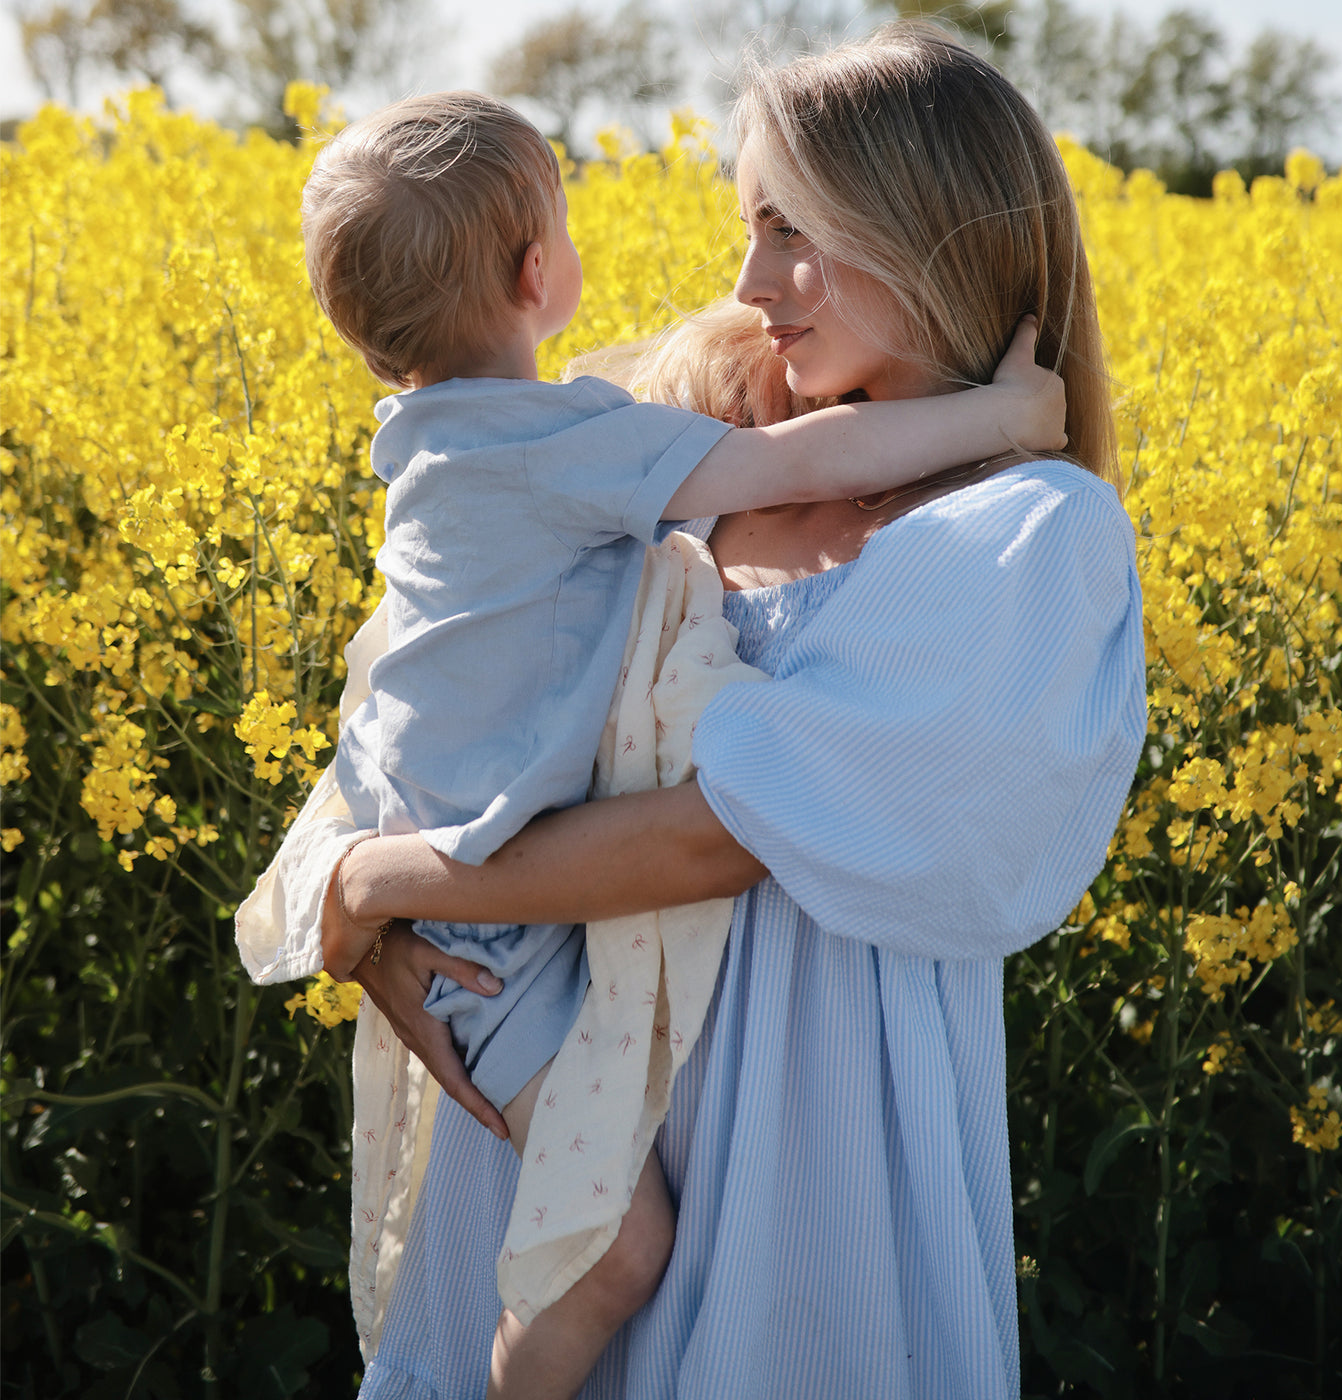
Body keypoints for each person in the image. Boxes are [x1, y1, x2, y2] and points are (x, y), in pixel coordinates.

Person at [240, 21, 1147, 1400]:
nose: (750, 282)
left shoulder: (1027, 531)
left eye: (793, 229)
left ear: (920, 229)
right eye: (747, 225)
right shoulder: (643, 439)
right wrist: (339, 905)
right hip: (562, 1165)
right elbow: (415, 700)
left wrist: (380, 884)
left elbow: (718, 836)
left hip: (800, 1173)